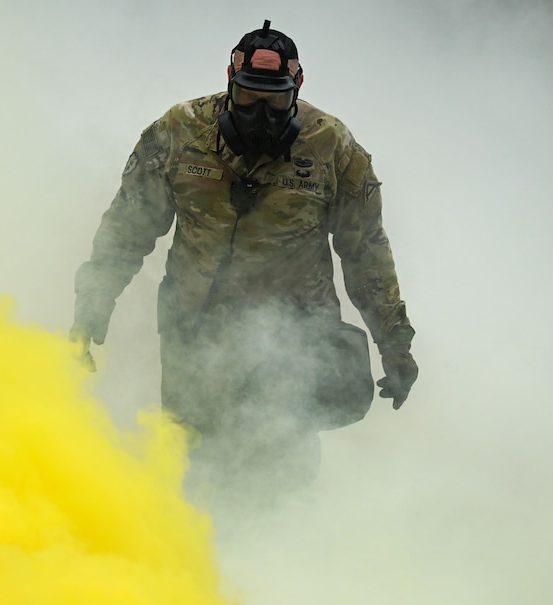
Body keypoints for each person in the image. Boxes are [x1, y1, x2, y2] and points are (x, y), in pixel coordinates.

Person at [70, 20, 418, 496]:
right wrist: (94, 299)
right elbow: (128, 226)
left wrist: (394, 342)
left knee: (280, 462)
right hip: (194, 329)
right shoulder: (180, 131)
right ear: (230, 82)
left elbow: (366, 252)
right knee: (189, 454)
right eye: (248, 97)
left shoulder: (332, 146)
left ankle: (272, 554)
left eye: (275, 100)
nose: (260, 112)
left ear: (296, 87)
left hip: (293, 338)